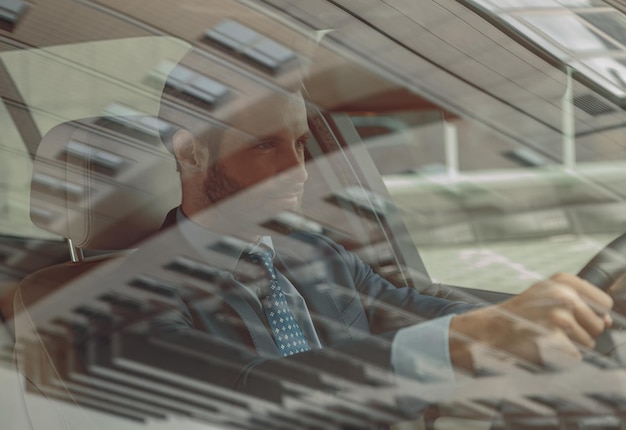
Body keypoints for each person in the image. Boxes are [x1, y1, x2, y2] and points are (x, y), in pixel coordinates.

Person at [150, 72, 615, 421]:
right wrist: (469, 338)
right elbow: (253, 390)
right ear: (191, 153)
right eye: (265, 146)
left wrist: (568, 312)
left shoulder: (318, 255)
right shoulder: (128, 299)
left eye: (300, 144)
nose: (300, 171)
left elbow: (411, 309)